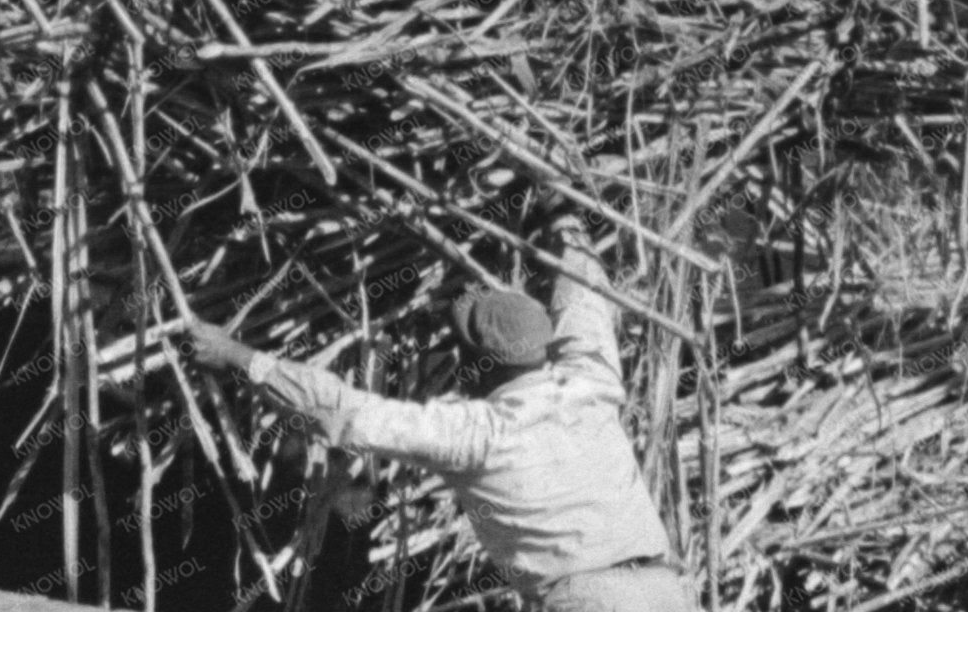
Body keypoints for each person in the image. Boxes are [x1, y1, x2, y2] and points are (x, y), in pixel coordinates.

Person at [182, 227, 697, 612]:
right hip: (668, 594)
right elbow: (584, 298)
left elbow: (344, 412)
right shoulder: (592, 383)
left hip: (593, 609)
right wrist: (565, 226)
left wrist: (238, 356)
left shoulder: (475, 434)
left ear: (480, 365)